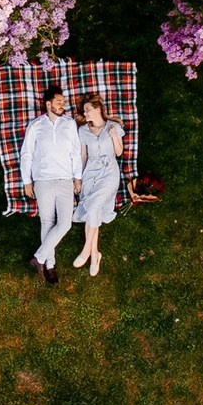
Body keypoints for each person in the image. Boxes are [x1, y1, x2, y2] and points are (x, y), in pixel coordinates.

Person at [17, 81, 81, 285]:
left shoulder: (69, 124)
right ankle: (49, 265)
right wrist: (27, 181)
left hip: (64, 180)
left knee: (65, 223)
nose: (63, 104)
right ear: (48, 104)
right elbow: (26, 154)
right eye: (59, 101)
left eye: (63, 101)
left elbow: (76, 152)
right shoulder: (36, 125)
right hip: (42, 180)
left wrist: (77, 177)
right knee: (47, 222)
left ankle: (39, 258)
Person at [72, 94, 123, 277]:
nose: (84, 113)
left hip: (109, 172)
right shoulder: (83, 131)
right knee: (92, 211)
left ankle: (86, 250)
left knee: (93, 207)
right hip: (90, 173)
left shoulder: (113, 126)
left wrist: (114, 136)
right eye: (84, 110)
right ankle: (95, 255)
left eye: (87, 109)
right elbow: (83, 156)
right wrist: (78, 179)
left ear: (98, 109)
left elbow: (118, 152)